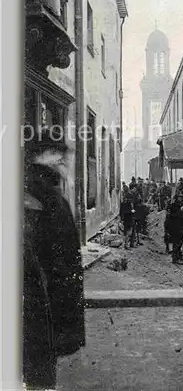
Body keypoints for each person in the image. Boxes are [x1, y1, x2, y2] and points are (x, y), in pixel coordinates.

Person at [23, 130, 85, 390]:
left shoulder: (45, 193)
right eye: (56, 155)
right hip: (38, 304)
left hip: (38, 303)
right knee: (38, 374)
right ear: (41, 157)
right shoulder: (42, 199)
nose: (63, 161)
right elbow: (56, 263)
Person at [167, 196, 183, 264]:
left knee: (180, 244)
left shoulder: (182, 206)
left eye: (182, 198)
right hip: (175, 228)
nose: (181, 199)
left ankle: (179, 257)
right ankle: (175, 259)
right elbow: (171, 216)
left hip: (181, 227)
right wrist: (180, 211)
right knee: (176, 244)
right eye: (180, 198)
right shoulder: (172, 206)